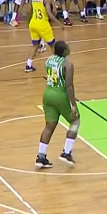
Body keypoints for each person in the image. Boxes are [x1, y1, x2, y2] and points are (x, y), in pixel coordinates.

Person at [36, 40, 80, 168]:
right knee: (75, 121)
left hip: (47, 94)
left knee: (49, 126)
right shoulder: (68, 64)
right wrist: (73, 104)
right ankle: (66, 153)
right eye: (67, 46)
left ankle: (41, 156)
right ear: (65, 51)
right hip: (60, 95)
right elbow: (69, 85)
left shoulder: (48, 60)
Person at [26, 0, 64, 72]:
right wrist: (60, 24)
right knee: (53, 46)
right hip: (43, 24)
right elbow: (49, 15)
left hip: (33, 23)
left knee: (35, 45)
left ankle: (28, 65)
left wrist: (28, 23)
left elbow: (30, 12)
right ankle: (56, 66)